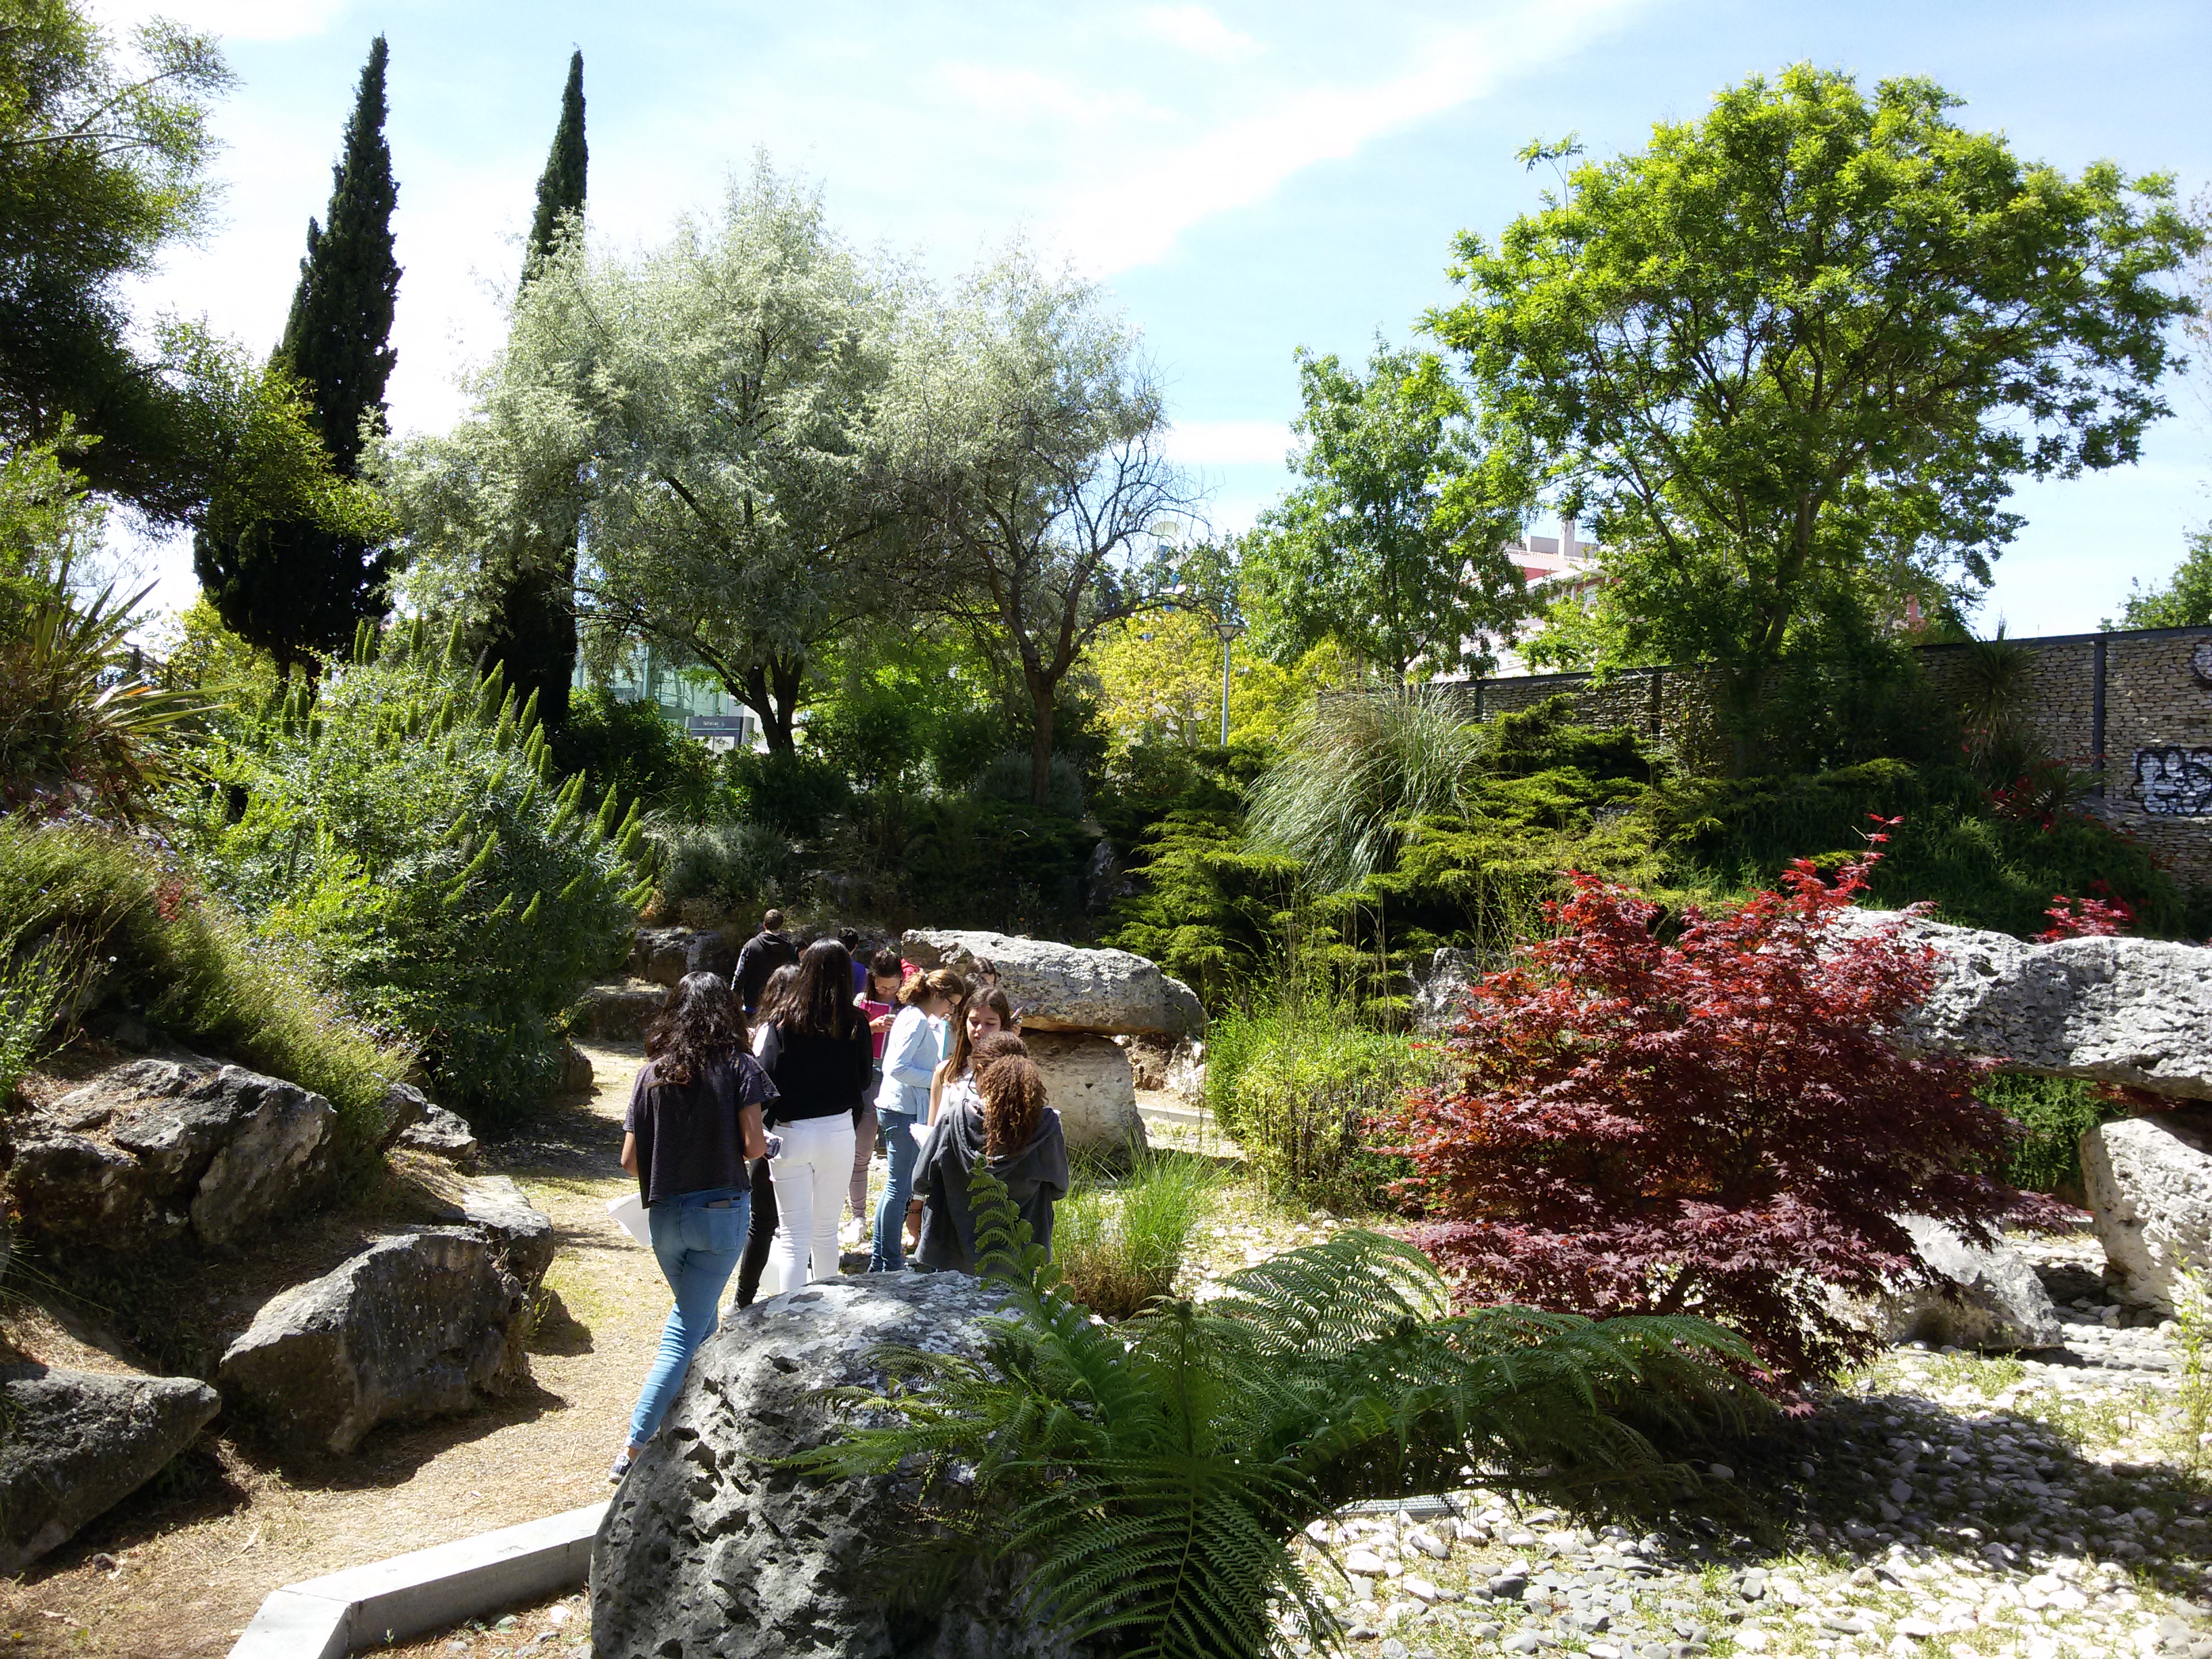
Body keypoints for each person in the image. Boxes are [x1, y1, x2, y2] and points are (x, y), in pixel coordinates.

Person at [613, 972, 775, 1481]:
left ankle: (697, 1420)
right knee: (686, 1329)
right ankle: (636, 1446)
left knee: (700, 1322)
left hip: (665, 1216)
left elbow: (630, 1163)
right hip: (720, 1214)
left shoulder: (650, 1074)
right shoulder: (739, 1066)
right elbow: (754, 1146)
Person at [756, 939, 875, 1290]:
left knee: (793, 1237)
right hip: (838, 1131)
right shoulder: (856, 1023)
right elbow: (864, 1079)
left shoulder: (782, 1021)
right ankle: (827, 1313)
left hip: (791, 1132)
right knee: (826, 1232)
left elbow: (766, 1077)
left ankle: (791, 1313)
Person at [914, 1034, 1067, 1274]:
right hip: (1019, 1256)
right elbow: (1060, 1188)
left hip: (952, 1255)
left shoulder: (954, 1119)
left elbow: (921, 1180)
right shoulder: (1047, 1125)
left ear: (980, 1071)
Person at [870, 966, 964, 1273]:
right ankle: (889, 1262)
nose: (950, 1010)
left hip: (901, 1107)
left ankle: (882, 1260)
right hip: (902, 1109)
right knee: (899, 1189)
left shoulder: (913, 1015)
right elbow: (897, 1068)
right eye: (950, 1003)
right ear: (937, 995)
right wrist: (939, 1078)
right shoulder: (917, 1020)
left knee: (896, 1187)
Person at [909, 986, 1015, 1254]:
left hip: (994, 1191)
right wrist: (916, 1204)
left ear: (1004, 1025)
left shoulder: (1013, 1077)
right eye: (974, 1021)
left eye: (990, 1023)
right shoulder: (946, 1073)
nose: (980, 1030)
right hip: (947, 1188)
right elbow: (929, 1142)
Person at [734, 963, 800, 1307]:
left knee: (763, 1221)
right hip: (777, 1134)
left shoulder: (765, 1032)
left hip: (769, 1131)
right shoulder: (791, 1033)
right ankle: (751, 1297)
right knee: (779, 1222)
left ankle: (744, 1298)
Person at [843, 946, 905, 1246]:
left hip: (898, 1079)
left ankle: (901, 1216)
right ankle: (858, 1216)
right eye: (882, 987)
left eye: (894, 987)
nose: (888, 992)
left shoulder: (908, 1005)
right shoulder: (860, 1002)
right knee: (861, 1151)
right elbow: (846, 1039)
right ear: (872, 980)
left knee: (900, 1153)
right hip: (868, 1077)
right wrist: (872, 1027)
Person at [734, 908, 799, 1014]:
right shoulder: (791, 949)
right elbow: (797, 979)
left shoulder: (751, 946)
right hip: (780, 1009)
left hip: (753, 1007)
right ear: (781, 927)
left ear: (764, 925)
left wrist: (735, 1002)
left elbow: (740, 975)